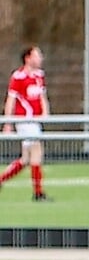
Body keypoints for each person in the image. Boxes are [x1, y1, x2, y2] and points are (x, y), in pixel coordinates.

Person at [2, 46, 49, 201]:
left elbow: (42, 96)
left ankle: (1, 179)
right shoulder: (18, 76)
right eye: (37, 55)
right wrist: (8, 123)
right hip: (25, 121)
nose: (40, 58)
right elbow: (11, 99)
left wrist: (45, 113)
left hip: (35, 121)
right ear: (28, 58)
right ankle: (38, 193)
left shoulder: (39, 75)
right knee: (36, 151)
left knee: (26, 159)